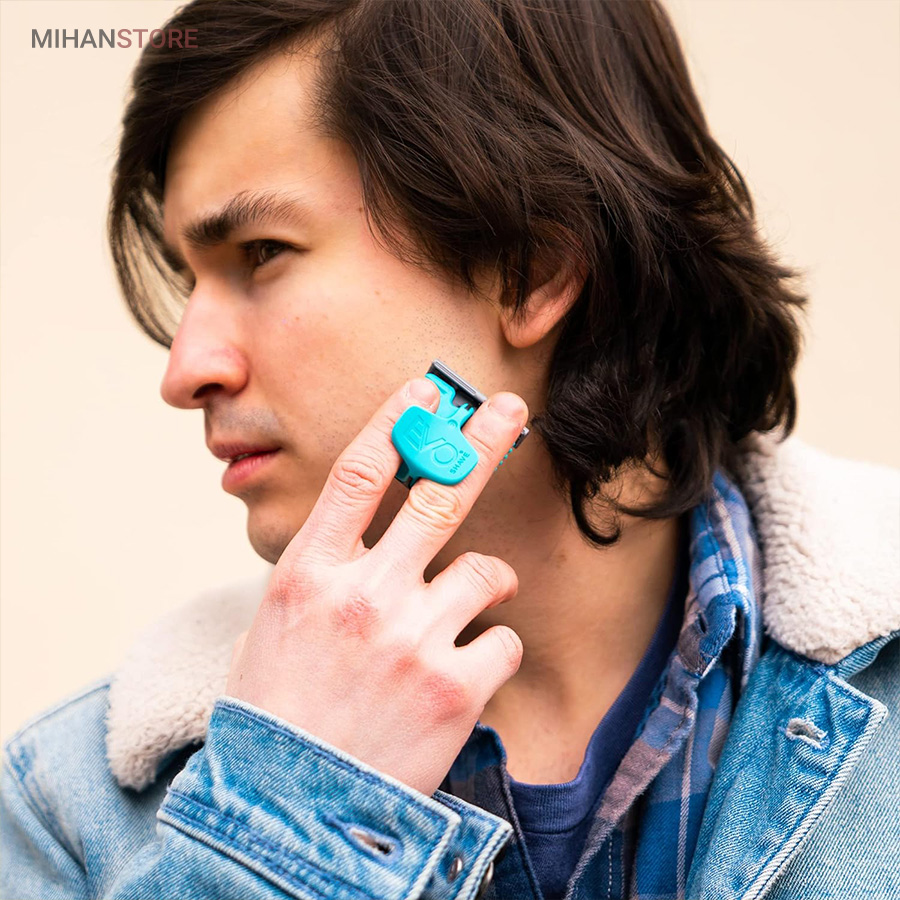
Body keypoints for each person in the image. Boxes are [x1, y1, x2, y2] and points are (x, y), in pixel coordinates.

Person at [2, 1, 898, 898]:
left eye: (262, 252)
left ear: (533, 268)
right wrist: (289, 810)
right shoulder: (63, 810)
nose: (186, 368)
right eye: (190, 281)